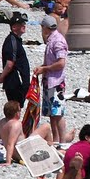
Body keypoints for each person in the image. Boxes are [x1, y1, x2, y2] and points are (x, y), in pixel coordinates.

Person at [35, 15, 69, 143]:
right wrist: (42, 68)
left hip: (56, 81)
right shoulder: (51, 39)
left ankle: (62, 141)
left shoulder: (58, 41)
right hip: (49, 80)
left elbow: (61, 63)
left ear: (45, 27)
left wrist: (45, 69)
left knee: (58, 113)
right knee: (51, 113)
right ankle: (56, 140)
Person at [0, 13, 30, 105]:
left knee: (17, 105)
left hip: (17, 80)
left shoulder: (16, 40)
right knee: (15, 105)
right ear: (14, 27)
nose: (24, 25)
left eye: (24, 23)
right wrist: (2, 77)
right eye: (21, 24)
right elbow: (10, 63)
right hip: (16, 81)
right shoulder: (12, 41)